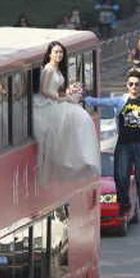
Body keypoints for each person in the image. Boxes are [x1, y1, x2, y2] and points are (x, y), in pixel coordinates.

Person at [85, 74, 140, 219]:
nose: (134, 87)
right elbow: (102, 102)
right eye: (131, 84)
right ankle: (124, 205)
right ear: (127, 85)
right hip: (124, 144)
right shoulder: (121, 101)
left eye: (136, 84)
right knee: (121, 176)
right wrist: (85, 98)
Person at [33, 41, 100, 184]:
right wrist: (63, 98)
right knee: (77, 116)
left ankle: (81, 158)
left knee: (81, 118)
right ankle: (73, 159)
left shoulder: (57, 69)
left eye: (61, 52)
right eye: (56, 52)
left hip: (56, 99)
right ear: (50, 54)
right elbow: (44, 90)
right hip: (48, 103)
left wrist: (67, 94)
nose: (59, 55)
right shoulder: (49, 69)